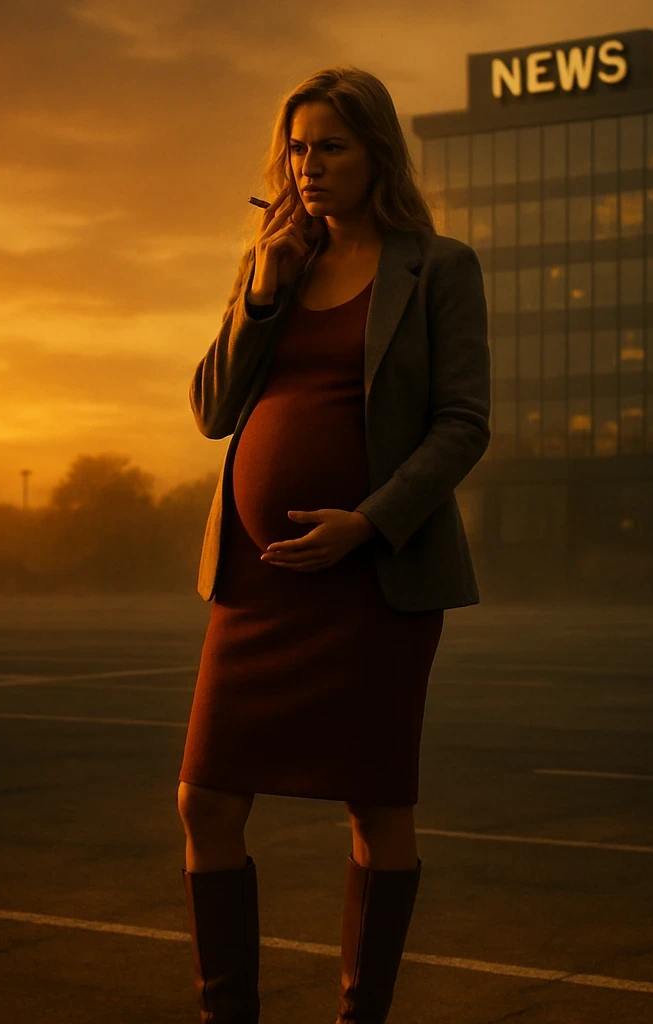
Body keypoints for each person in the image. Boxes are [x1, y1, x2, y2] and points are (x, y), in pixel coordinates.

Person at [177, 64, 490, 1023]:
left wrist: (368, 522)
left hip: (375, 584)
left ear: (376, 153)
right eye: (299, 148)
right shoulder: (275, 262)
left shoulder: (437, 267)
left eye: (333, 147)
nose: (310, 166)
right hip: (256, 583)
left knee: (376, 807)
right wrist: (263, 294)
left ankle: (363, 1017)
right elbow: (212, 410)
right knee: (206, 802)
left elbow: (463, 423)